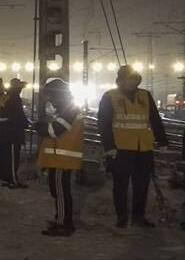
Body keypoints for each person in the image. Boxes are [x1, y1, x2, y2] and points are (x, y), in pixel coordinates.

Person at [97, 65, 168, 228]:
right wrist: (109, 146)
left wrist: (162, 140)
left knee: (142, 185)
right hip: (120, 149)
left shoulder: (145, 95)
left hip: (143, 148)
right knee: (120, 185)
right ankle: (121, 217)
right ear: (120, 80)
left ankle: (138, 217)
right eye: (129, 78)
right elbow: (103, 123)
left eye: (135, 78)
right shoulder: (109, 96)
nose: (132, 81)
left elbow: (155, 119)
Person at [36, 79, 84, 237]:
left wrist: (39, 126)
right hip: (58, 157)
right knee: (58, 191)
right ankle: (61, 219)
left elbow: (55, 130)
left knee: (61, 192)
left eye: (51, 95)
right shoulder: (67, 108)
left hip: (62, 159)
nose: (50, 99)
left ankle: (64, 224)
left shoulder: (70, 110)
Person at [0, 78, 30, 188]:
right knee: (13, 158)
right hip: (12, 133)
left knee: (8, 157)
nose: (21, 89)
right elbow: (17, 115)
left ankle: (7, 178)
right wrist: (26, 123)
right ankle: (13, 180)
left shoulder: (8, 97)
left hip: (8, 132)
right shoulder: (14, 98)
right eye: (20, 88)